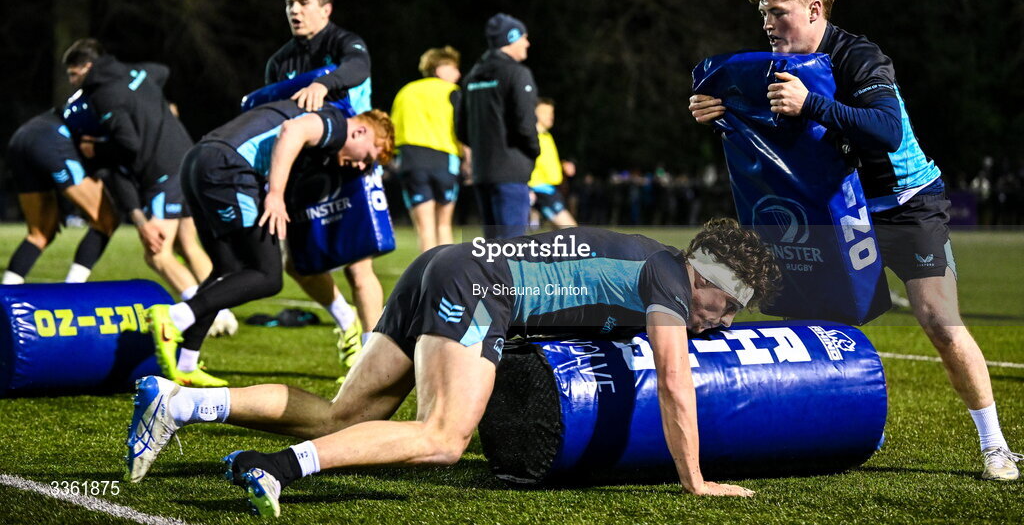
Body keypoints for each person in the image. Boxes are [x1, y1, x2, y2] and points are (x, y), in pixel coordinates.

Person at [126, 218, 780, 515]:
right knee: (442, 438)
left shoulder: (653, 261)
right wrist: (694, 481)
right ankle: (275, 469)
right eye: (727, 308)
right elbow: (672, 381)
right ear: (708, 276)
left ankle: (182, 403)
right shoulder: (668, 279)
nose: (723, 322)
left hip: (443, 264)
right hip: (477, 288)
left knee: (338, 417)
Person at [688, 0, 1021, 482]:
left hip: (906, 205)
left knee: (938, 319)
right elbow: (761, 127)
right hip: (840, 212)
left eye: (780, 11)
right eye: (763, 12)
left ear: (815, 10)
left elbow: (886, 130)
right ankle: (826, 431)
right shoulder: (768, 64)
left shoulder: (858, 56)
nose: (769, 24)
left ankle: (995, 445)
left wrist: (813, 105)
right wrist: (715, 113)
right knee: (807, 320)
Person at [148, 98, 395, 387]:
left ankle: (186, 364)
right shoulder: (337, 124)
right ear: (360, 133)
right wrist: (275, 193)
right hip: (228, 168)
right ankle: (175, 317)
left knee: (226, 269)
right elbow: (292, 130)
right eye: (367, 157)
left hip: (198, 162)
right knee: (267, 275)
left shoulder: (319, 124)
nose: (360, 165)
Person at [265, 0, 382, 380]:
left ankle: (371, 355)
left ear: (325, 9)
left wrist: (323, 82)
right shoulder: (280, 61)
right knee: (296, 264)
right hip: (305, 170)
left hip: (349, 165)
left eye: (302, 2)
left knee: (357, 266)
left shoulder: (343, 42)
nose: (294, 10)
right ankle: (345, 319)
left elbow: (358, 67)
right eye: (289, 4)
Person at [62, 39, 214, 301]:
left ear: (87, 67)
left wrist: (95, 149)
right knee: (187, 245)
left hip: (164, 173)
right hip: (190, 161)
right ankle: (222, 310)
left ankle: (201, 312)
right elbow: (162, 71)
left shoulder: (104, 95)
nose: (72, 82)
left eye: (73, 74)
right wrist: (156, 106)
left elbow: (128, 145)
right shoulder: (136, 72)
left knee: (157, 253)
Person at [2, 110, 119, 284]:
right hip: (52, 138)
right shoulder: (127, 106)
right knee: (106, 220)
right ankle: (72, 290)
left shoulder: (97, 94)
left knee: (39, 234)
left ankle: (5, 296)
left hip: (23, 136)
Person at [457, 13, 540, 239]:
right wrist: (534, 150)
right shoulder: (517, 73)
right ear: (511, 38)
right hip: (511, 171)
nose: (527, 43)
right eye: (524, 37)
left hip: (483, 172)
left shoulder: (472, 76)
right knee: (513, 248)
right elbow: (525, 123)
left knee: (493, 251)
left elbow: (461, 129)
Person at [390, 45, 464, 251]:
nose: (458, 73)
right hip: (444, 159)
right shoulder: (452, 92)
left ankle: (427, 279)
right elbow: (461, 128)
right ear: (439, 68)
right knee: (444, 224)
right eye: (453, 68)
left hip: (411, 160)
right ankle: (446, 278)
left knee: (425, 229)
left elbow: (393, 129)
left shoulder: (406, 91)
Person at [528, 98, 577, 229]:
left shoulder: (546, 136)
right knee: (571, 230)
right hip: (539, 189)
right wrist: (528, 188)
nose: (550, 116)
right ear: (534, 114)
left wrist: (562, 166)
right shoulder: (530, 137)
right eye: (545, 112)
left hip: (550, 189)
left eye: (552, 112)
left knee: (558, 236)